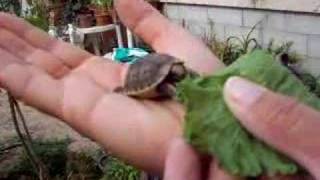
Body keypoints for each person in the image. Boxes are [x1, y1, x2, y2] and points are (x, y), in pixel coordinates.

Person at [0, 0, 319, 179]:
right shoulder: (164, 80)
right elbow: (167, 82)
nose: (182, 74)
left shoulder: (179, 73)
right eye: (179, 72)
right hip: (142, 77)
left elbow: (181, 75)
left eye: (180, 71)